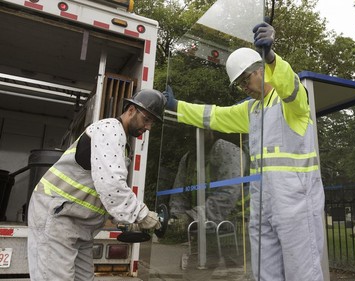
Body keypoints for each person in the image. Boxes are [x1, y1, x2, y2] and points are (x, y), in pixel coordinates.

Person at [163, 22, 325, 281]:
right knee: (264, 273)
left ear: (261, 71)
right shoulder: (252, 110)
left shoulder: (292, 103)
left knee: (302, 273)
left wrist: (272, 57)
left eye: (245, 80)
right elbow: (213, 115)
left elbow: (290, 85)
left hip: (295, 202)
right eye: (239, 85)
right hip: (263, 204)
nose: (244, 88)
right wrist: (176, 107)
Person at [27, 89, 166, 281]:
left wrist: (121, 218)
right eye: (147, 119)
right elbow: (112, 185)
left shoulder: (122, 143)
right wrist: (142, 215)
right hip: (57, 215)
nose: (149, 127)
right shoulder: (109, 130)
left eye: (152, 123)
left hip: (78, 223)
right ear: (132, 110)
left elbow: (100, 189)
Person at [169, 128, 248, 224]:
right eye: (190, 130)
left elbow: (228, 194)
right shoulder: (188, 159)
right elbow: (179, 195)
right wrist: (178, 218)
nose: (191, 135)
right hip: (202, 227)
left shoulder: (229, 153)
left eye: (197, 130)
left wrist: (191, 218)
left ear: (210, 130)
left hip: (237, 226)